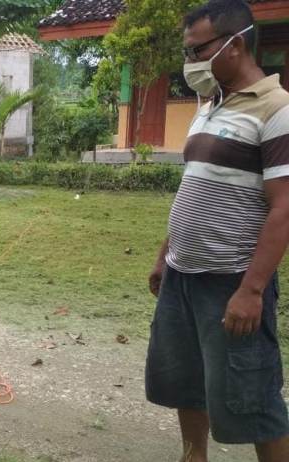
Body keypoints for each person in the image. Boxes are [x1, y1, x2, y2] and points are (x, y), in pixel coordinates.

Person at [145, 1, 289, 460]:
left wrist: (251, 289)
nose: (191, 62)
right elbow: (196, 184)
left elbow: (284, 207)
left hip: (230, 279)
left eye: (197, 50)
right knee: (187, 383)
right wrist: (165, 254)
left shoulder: (277, 109)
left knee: (254, 395)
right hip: (183, 273)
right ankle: (194, 456)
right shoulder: (210, 106)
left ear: (235, 44)